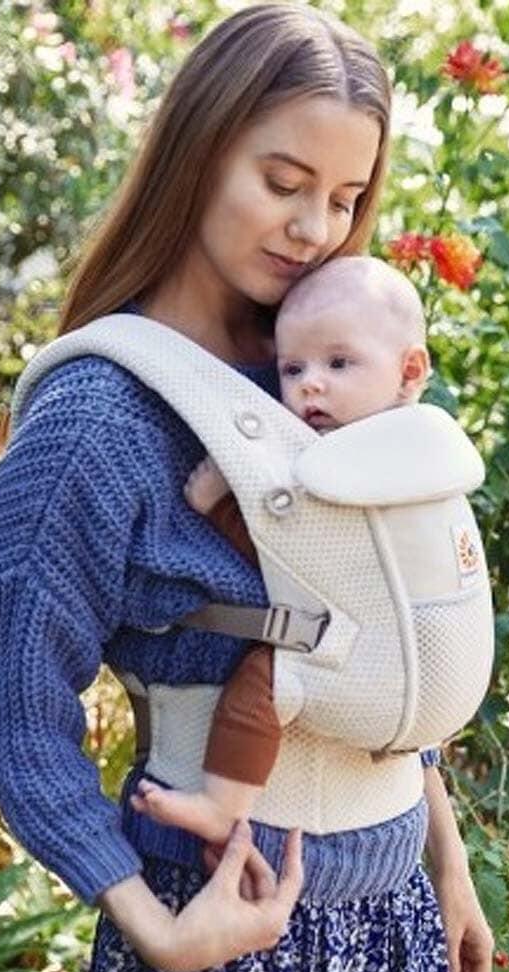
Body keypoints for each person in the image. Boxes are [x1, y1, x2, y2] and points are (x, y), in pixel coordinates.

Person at [0, 4, 494, 972]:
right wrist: (153, 929)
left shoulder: (327, 375)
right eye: (283, 183)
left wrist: (446, 862)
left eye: (344, 198)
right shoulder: (98, 419)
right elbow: (15, 719)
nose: (314, 229)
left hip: (394, 913)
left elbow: (385, 618)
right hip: (219, 926)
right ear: (199, 152)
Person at [130, 255, 437, 843]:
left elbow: (294, 557)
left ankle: (223, 804)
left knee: (264, 679)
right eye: (293, 369)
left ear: (409, 370)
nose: (309, 384)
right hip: (409, 664)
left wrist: (220, 508)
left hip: (366, 648)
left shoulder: (357, 459)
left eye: (339, 363)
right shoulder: (426, 447)